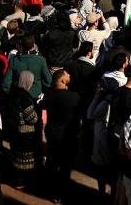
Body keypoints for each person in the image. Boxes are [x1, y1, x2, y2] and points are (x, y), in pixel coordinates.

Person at [45, 68, 81, 202]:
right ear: (62, 80)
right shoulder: (73, 97)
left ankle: (53, 190)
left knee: (53, 162)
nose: (70, 74)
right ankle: (61, 193)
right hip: (67, 136)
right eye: (67, 74)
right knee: (66, 165)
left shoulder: (48, 94)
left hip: (52, 133)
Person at [3, 70, 41, 188]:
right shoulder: (25, 97)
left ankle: (16, 178)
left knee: (16, 154)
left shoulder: (13, 93)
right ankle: (22, 181)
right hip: (25, 133)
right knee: (25, 158)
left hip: (14, 130)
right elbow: (32, 118)